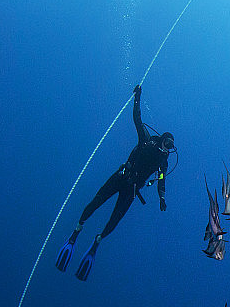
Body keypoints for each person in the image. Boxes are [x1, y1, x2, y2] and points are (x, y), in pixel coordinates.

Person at [55, 85, 175, 281]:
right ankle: (77, 230)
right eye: (167, 143)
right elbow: (138, 118)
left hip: (132, 190)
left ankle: (97, 241)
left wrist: (162, 197)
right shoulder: (146, 140)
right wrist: (138, 97)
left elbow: (162, 179)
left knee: (114, 221)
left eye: (171, 146)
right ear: (161, 140)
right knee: (96, 202)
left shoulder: (164, 162)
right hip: (121, 177)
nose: (168, 148)